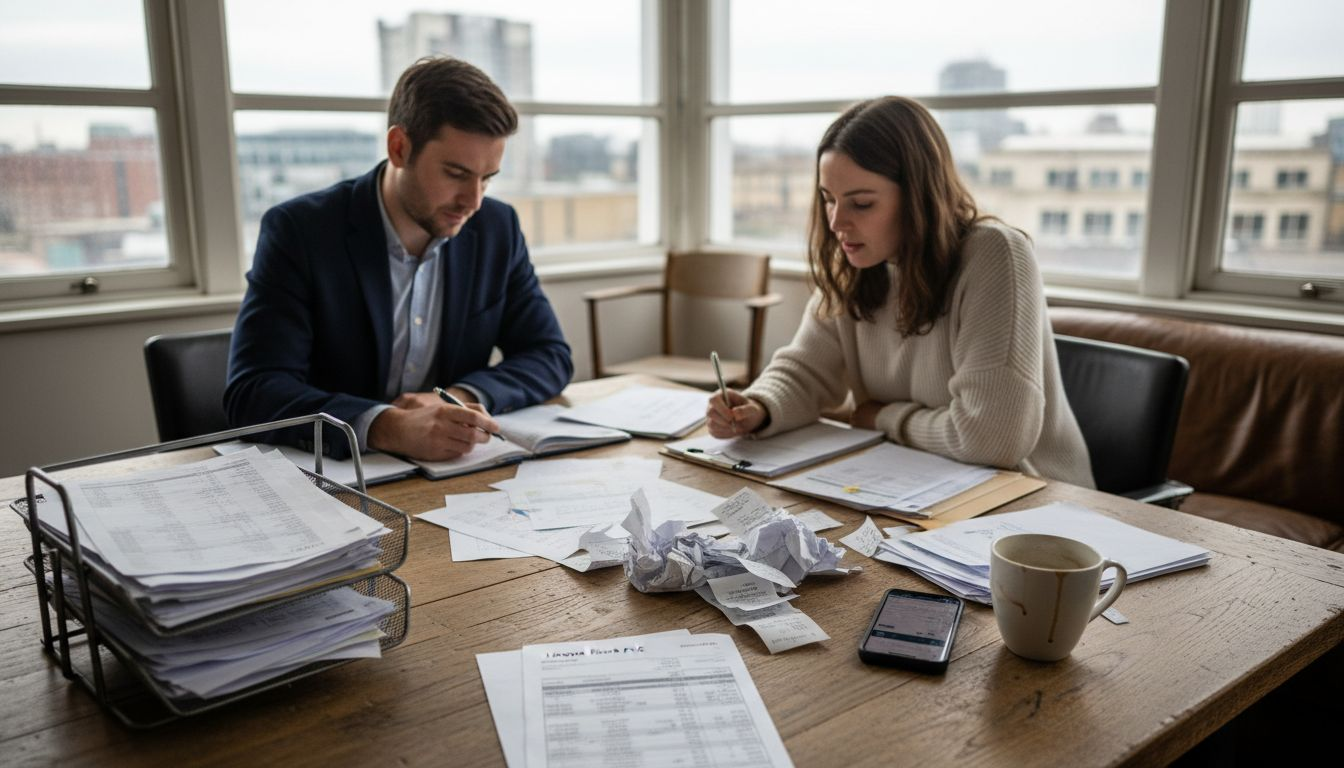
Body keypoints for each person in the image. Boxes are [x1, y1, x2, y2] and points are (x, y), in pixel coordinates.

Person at [707, 96, 1094, 487]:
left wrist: (882, 417)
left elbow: (991, 438)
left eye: (861, 203)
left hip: (1034, 495)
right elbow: (806, 371)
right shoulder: (858, 263)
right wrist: (758, 406)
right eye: (828, 199)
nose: (837, 222)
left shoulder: (995, 255)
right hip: (916, 483)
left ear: (918, 196)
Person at [225, 57, 572, 461]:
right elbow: (254, 391)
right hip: (338, 474)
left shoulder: (497, 228)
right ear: (399, 148)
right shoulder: (301, 231)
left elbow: (549, 355)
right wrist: (386, 425)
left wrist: (456, 398)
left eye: (487, 178)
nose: (473, 201)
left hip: (451, 472)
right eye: (456, 174)